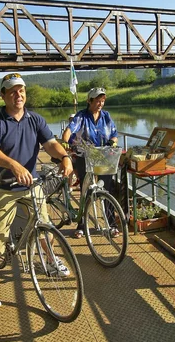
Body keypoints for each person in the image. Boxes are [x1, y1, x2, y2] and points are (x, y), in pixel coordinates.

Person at [0, 72, 73, 310]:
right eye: (11, 91)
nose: (17, 94)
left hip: (31, 184)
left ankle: (50, 260)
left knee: (45, 226)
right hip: (4, 186)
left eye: (20, 90)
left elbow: (50, 143)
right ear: (3, 95)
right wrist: (13, 164)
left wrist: (64, 156)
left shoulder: (35, 119)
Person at [61, 87, 119, 239]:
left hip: (102, 155)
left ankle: (112, 225)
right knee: (85, 191)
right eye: (97, 101)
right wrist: (65, 142)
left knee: (107, 190)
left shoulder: (106, 116)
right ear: (89, 101)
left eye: (102, 101)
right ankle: (81, 225)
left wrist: (112, 142)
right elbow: (68, 131)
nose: (100, 104)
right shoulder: (81, 116)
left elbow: (114, 134)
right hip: (84, 155)